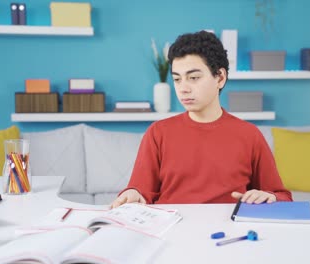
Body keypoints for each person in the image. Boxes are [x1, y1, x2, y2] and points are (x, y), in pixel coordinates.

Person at [112, 30, 292, 208]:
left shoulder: (249, 135)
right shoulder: (158, 133)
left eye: (194, 78)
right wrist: (132, 193)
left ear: (220, 78)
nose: (183, 88)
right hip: (172, 230)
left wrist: (267, 197)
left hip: (228, 231)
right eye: (177, 79)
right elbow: (140, 191)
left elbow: (281, 197)